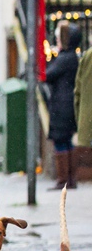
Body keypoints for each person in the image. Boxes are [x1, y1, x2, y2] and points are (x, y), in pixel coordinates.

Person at [45, 22, 80, 190]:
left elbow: (48, 75)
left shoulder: (65, 58)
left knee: (60, 141)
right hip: (68, 105)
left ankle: (63, 180)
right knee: (67, 141)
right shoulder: (72, 57)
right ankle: (71, 179)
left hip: (61, 106)